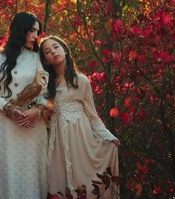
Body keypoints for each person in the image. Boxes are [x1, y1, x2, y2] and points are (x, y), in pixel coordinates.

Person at [0, 12, 50, 199]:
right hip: (3, 124)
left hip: (31, 126)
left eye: (38, 32)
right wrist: (9, 109)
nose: (36, 36)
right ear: (20, 30)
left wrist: (36, 111)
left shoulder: (37, 57)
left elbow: (46, 91)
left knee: (27, 176)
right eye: (32, 31)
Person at [39, 36, 120, 199]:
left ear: (65, 50)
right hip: (57, 143)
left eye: (56, 47)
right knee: (58, 186)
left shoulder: (81, 81)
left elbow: (92, 115)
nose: (53, 52)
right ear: (46, 60)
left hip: (80, 141)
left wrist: (107, 136)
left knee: (84, 185)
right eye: (47, 52)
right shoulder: (46, 84)